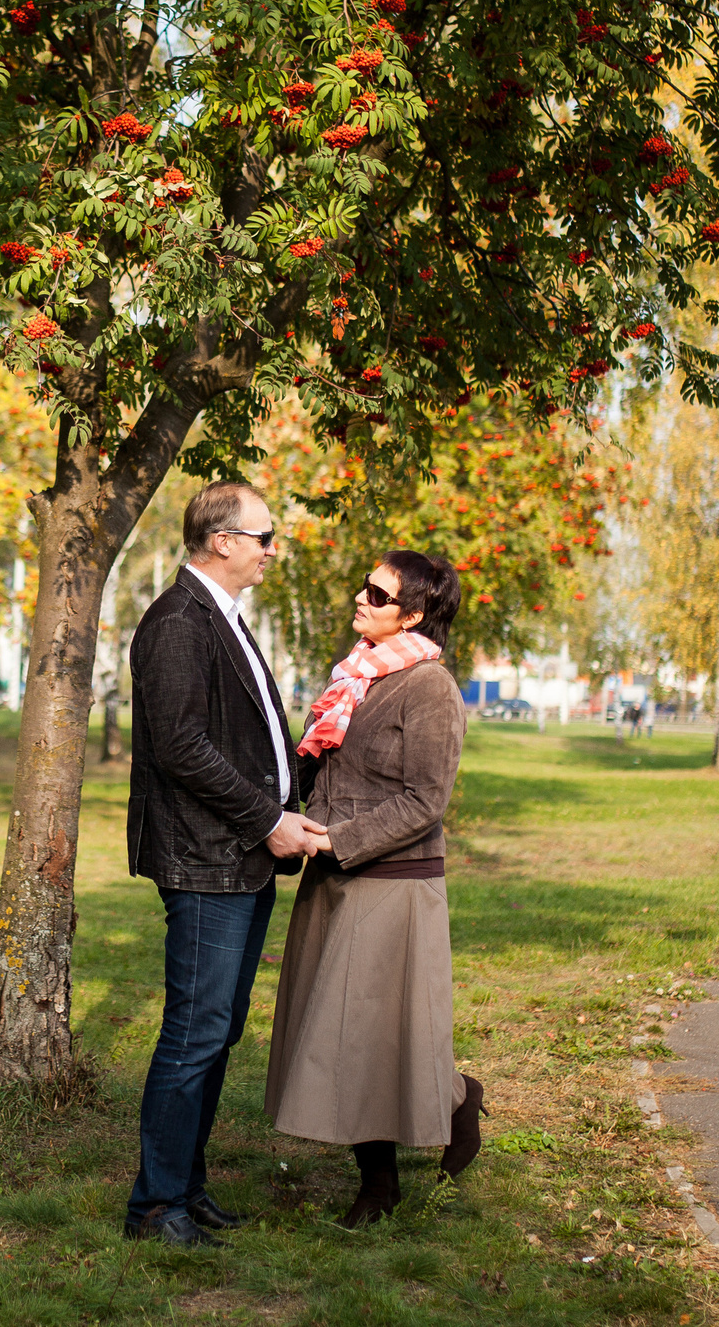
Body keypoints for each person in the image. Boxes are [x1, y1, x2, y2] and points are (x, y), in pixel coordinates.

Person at [123, 480, 330, 1249]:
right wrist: (266, 819)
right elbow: (179, 746)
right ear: (221, 540)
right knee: (194, 1033)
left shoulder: (222, 617)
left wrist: (301, 784)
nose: (272, 548)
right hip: (207, 860)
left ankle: (184, 1186)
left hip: (239, 858)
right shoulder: (178, 621)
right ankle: (153, 1210)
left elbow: (245, 740)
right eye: (263, 535)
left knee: (217, 1031)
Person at [264, 549, 483, 1228]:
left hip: (391, 884)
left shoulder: (429, 688)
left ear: (414, 614)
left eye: (378, 594)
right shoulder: (357, 676)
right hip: (335, 878)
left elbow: (425, 800)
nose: (361, 599)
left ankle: (391, 1173)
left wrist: (339, 839)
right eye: (364, 587)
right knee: (349, 1032)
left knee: (370, 1036)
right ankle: (438, 1114)